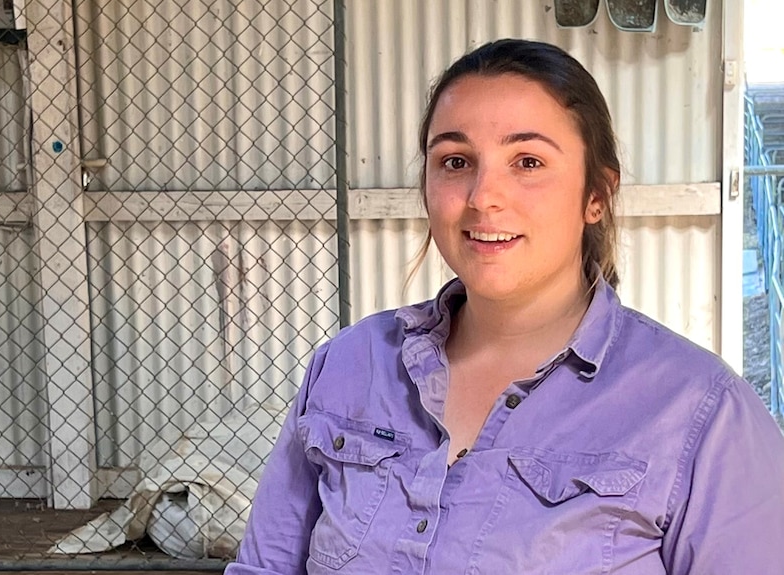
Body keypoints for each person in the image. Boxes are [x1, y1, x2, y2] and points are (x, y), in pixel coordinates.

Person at [224, 39, 784, 574]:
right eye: (455, 161)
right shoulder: (348, 367)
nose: (483, 196)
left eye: (528, 162)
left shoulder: (699, 414)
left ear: (596, 196)